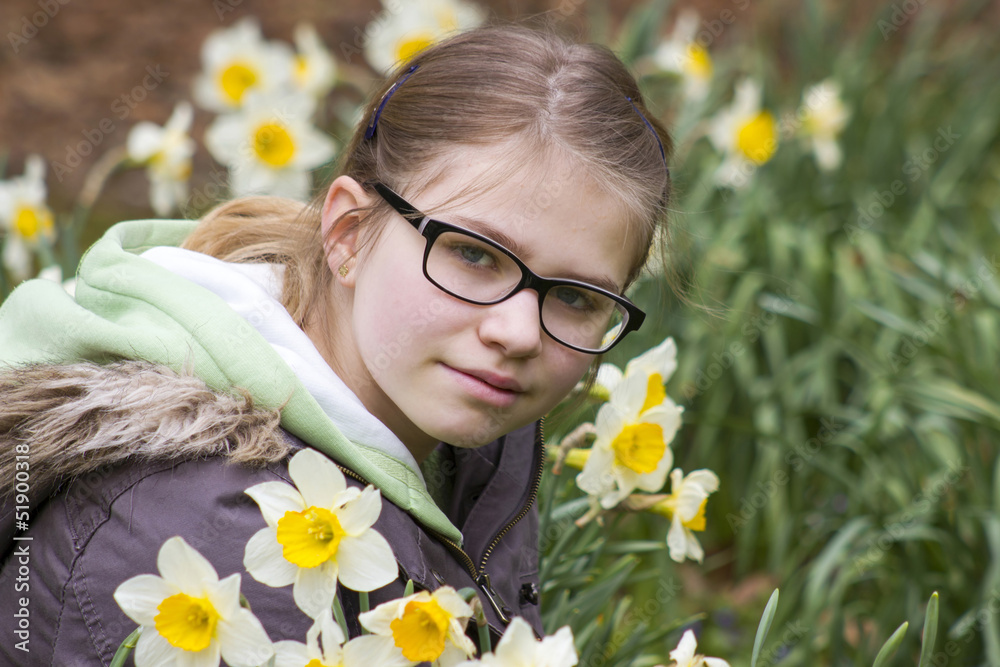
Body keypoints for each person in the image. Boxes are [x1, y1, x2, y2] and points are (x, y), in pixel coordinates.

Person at [0, 22, 672, 664]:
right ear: (348, 233)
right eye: (473, 255)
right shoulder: (210, 529)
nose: (520, 332)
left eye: (577, 297)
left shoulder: (449, 405)